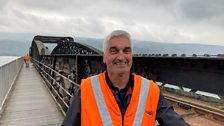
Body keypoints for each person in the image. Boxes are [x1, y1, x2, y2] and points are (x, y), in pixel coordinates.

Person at [62, 30, 189, 126]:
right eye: (114, 51)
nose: (121, 57)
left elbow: (175, 122)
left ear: (131, 56)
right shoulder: (88, 89)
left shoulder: (150, 90)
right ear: (104, 57)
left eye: (126, 51)